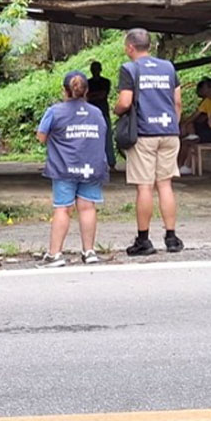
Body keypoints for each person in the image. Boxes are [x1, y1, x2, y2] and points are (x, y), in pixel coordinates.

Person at [113, 28, 184, 256]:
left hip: (144, 134)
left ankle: (144, 240)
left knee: (144, 186)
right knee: (165, 184)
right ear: (149, 46)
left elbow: (125, 102)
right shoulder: (168, 67)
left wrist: (116, 110)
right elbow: (178, 102)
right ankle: (171, 238)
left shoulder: (130, 69)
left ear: (131, 47)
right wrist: (173, 125)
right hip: (169, 132)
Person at [36, 71, 108, 267]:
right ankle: (89, 251)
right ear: (87, 91)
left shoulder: (55, 111)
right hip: (91, 167)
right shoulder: (96, 112)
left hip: (64, 167)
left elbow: (41, 137)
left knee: (63, 208)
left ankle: (55, 254)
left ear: (64, 91)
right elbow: (102, 133)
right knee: (87, 207)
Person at [177, 78, 211, 175]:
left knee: (186, 142)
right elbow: (196, 115)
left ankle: (183, 166)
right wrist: (184, 124)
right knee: (185, 139)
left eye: (203, 88)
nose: (199, 91)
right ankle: (182, 166)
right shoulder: (207, 101)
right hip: (206, 130)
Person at [87, 61, 116, 170]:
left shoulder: (105, 82)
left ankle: (111, 162)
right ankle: (94, 162)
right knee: (91, 138)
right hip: (91, 114)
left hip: (103, 112)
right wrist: (95, 95)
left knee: (107, 138)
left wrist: (92, 96)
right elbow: (88, 96)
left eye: (96, 68)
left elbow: (101, 95)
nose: (95, 71)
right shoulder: (88, 83)